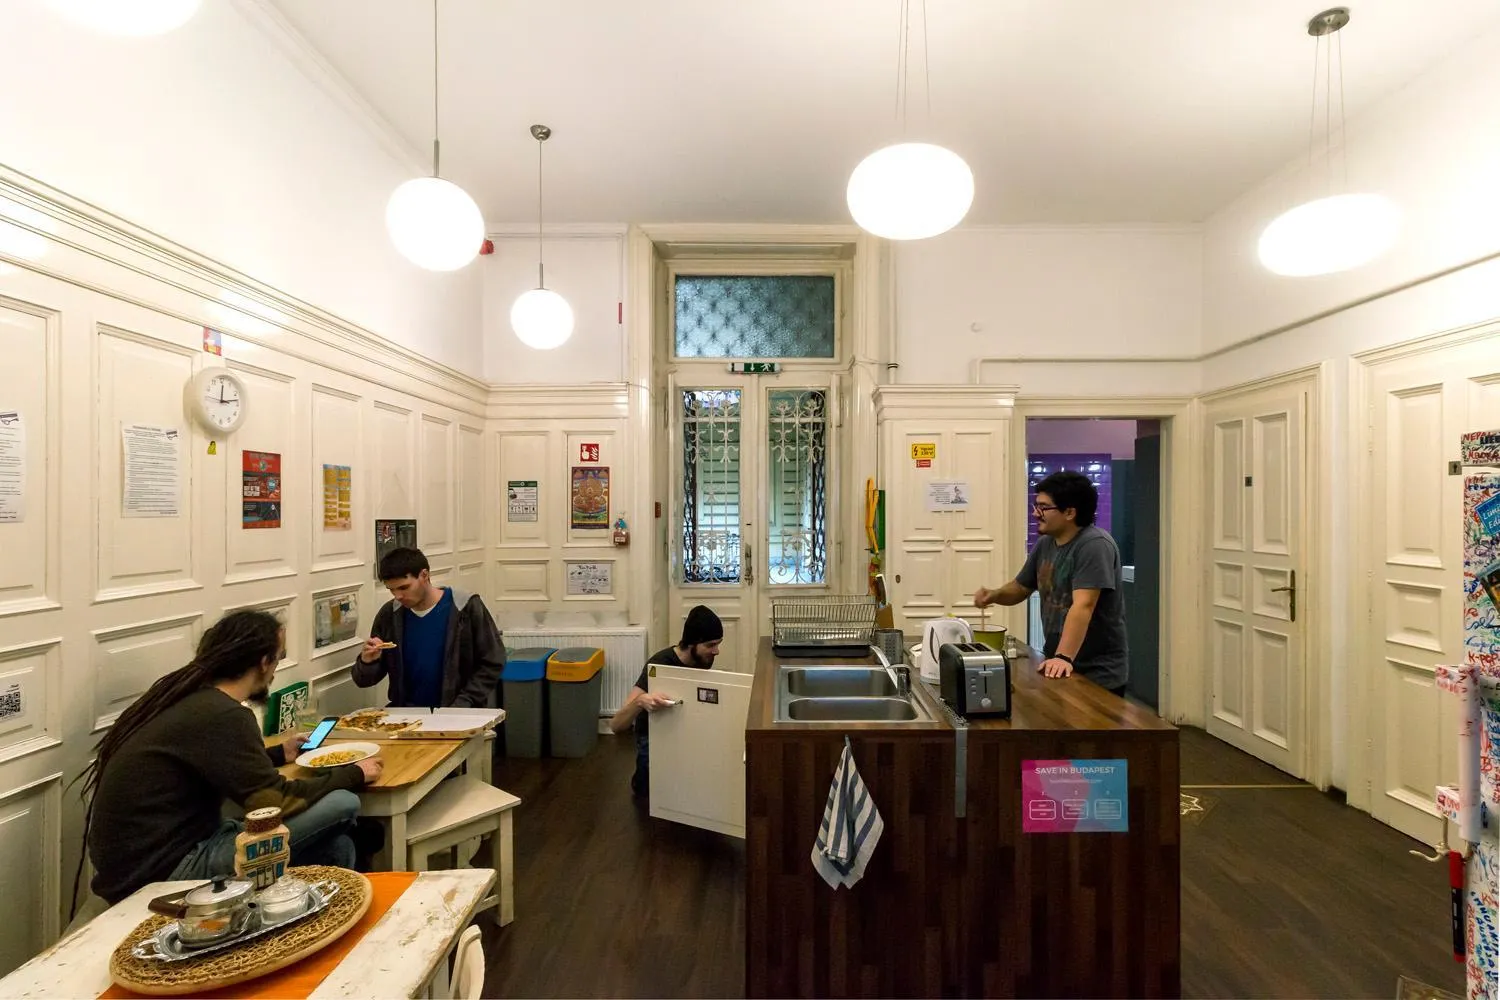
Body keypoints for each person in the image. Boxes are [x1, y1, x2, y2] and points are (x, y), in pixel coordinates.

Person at [81, 610, 382, 907]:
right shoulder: (225, 714)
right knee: (344, 803)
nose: (276, 668)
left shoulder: (189, 697)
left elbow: (213, 762)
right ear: (264, 663)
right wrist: (352, 774)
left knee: (337, 847)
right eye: (278, 658)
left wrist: (279, 753)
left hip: (136, 865)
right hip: (165, 869)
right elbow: (273, 802)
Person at [973, 470, 1130, 697]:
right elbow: (1020, 587)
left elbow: (1084, 605)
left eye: (1044, 507)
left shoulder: (1094, 545)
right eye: (1036, 506)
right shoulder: (1046, 543)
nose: (1036, 513)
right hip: (1059, 665)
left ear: (1069, 512)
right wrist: (994, 595)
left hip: (1097, 673)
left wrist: (1063, 657)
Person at [352, 547, 507, 708]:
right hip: (406, 716)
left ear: (424, 575)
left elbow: (493, 661)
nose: (398, 596)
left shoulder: (465, 607)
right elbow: (364, 681)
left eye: (404, 587)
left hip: (460, 714)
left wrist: (466, 701)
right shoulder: (389, 614)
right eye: (392, 590)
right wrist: (367, 662)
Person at [608, 605, 723, 799]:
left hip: (683, 732)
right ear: (693, 643)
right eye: (711, 645)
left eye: (718, 644)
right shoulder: (660, 664)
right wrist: (640, 702)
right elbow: (616, 725)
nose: (717, 651)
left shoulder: (702, 661)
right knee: (649, 792)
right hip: (654, 735)